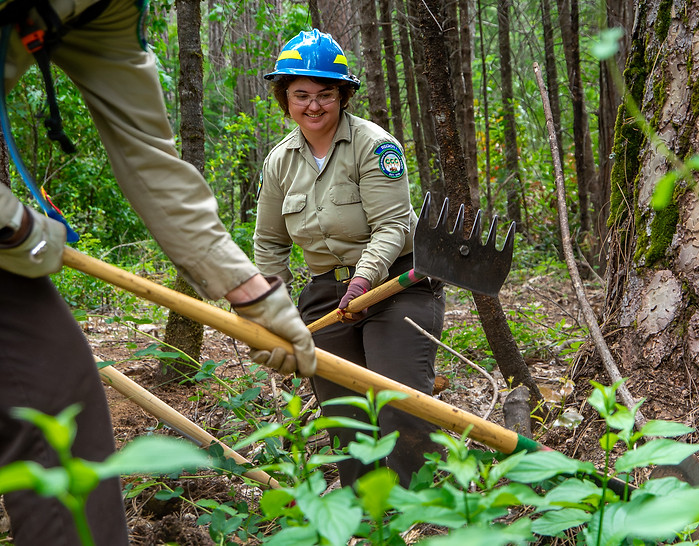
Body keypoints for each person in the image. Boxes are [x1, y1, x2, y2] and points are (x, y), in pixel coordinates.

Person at [0, 1, 316, 544]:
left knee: (56, 397)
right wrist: (10, 224)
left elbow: (148, 155)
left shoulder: (109, 8)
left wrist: (253, 294)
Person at [254, 29, 445, 488]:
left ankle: (419, 516)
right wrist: (271, 311)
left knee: (400, 403)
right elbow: (270, 244)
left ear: (343, 96)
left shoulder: (375, 146)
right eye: (301, 95)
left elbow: (394, 225)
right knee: (343, 416)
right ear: (285, 98)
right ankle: (361, 516)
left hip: (397, 286)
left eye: (325, 94)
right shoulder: (279, 163)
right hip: (326, 294)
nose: (313, 106)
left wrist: (362, 284)